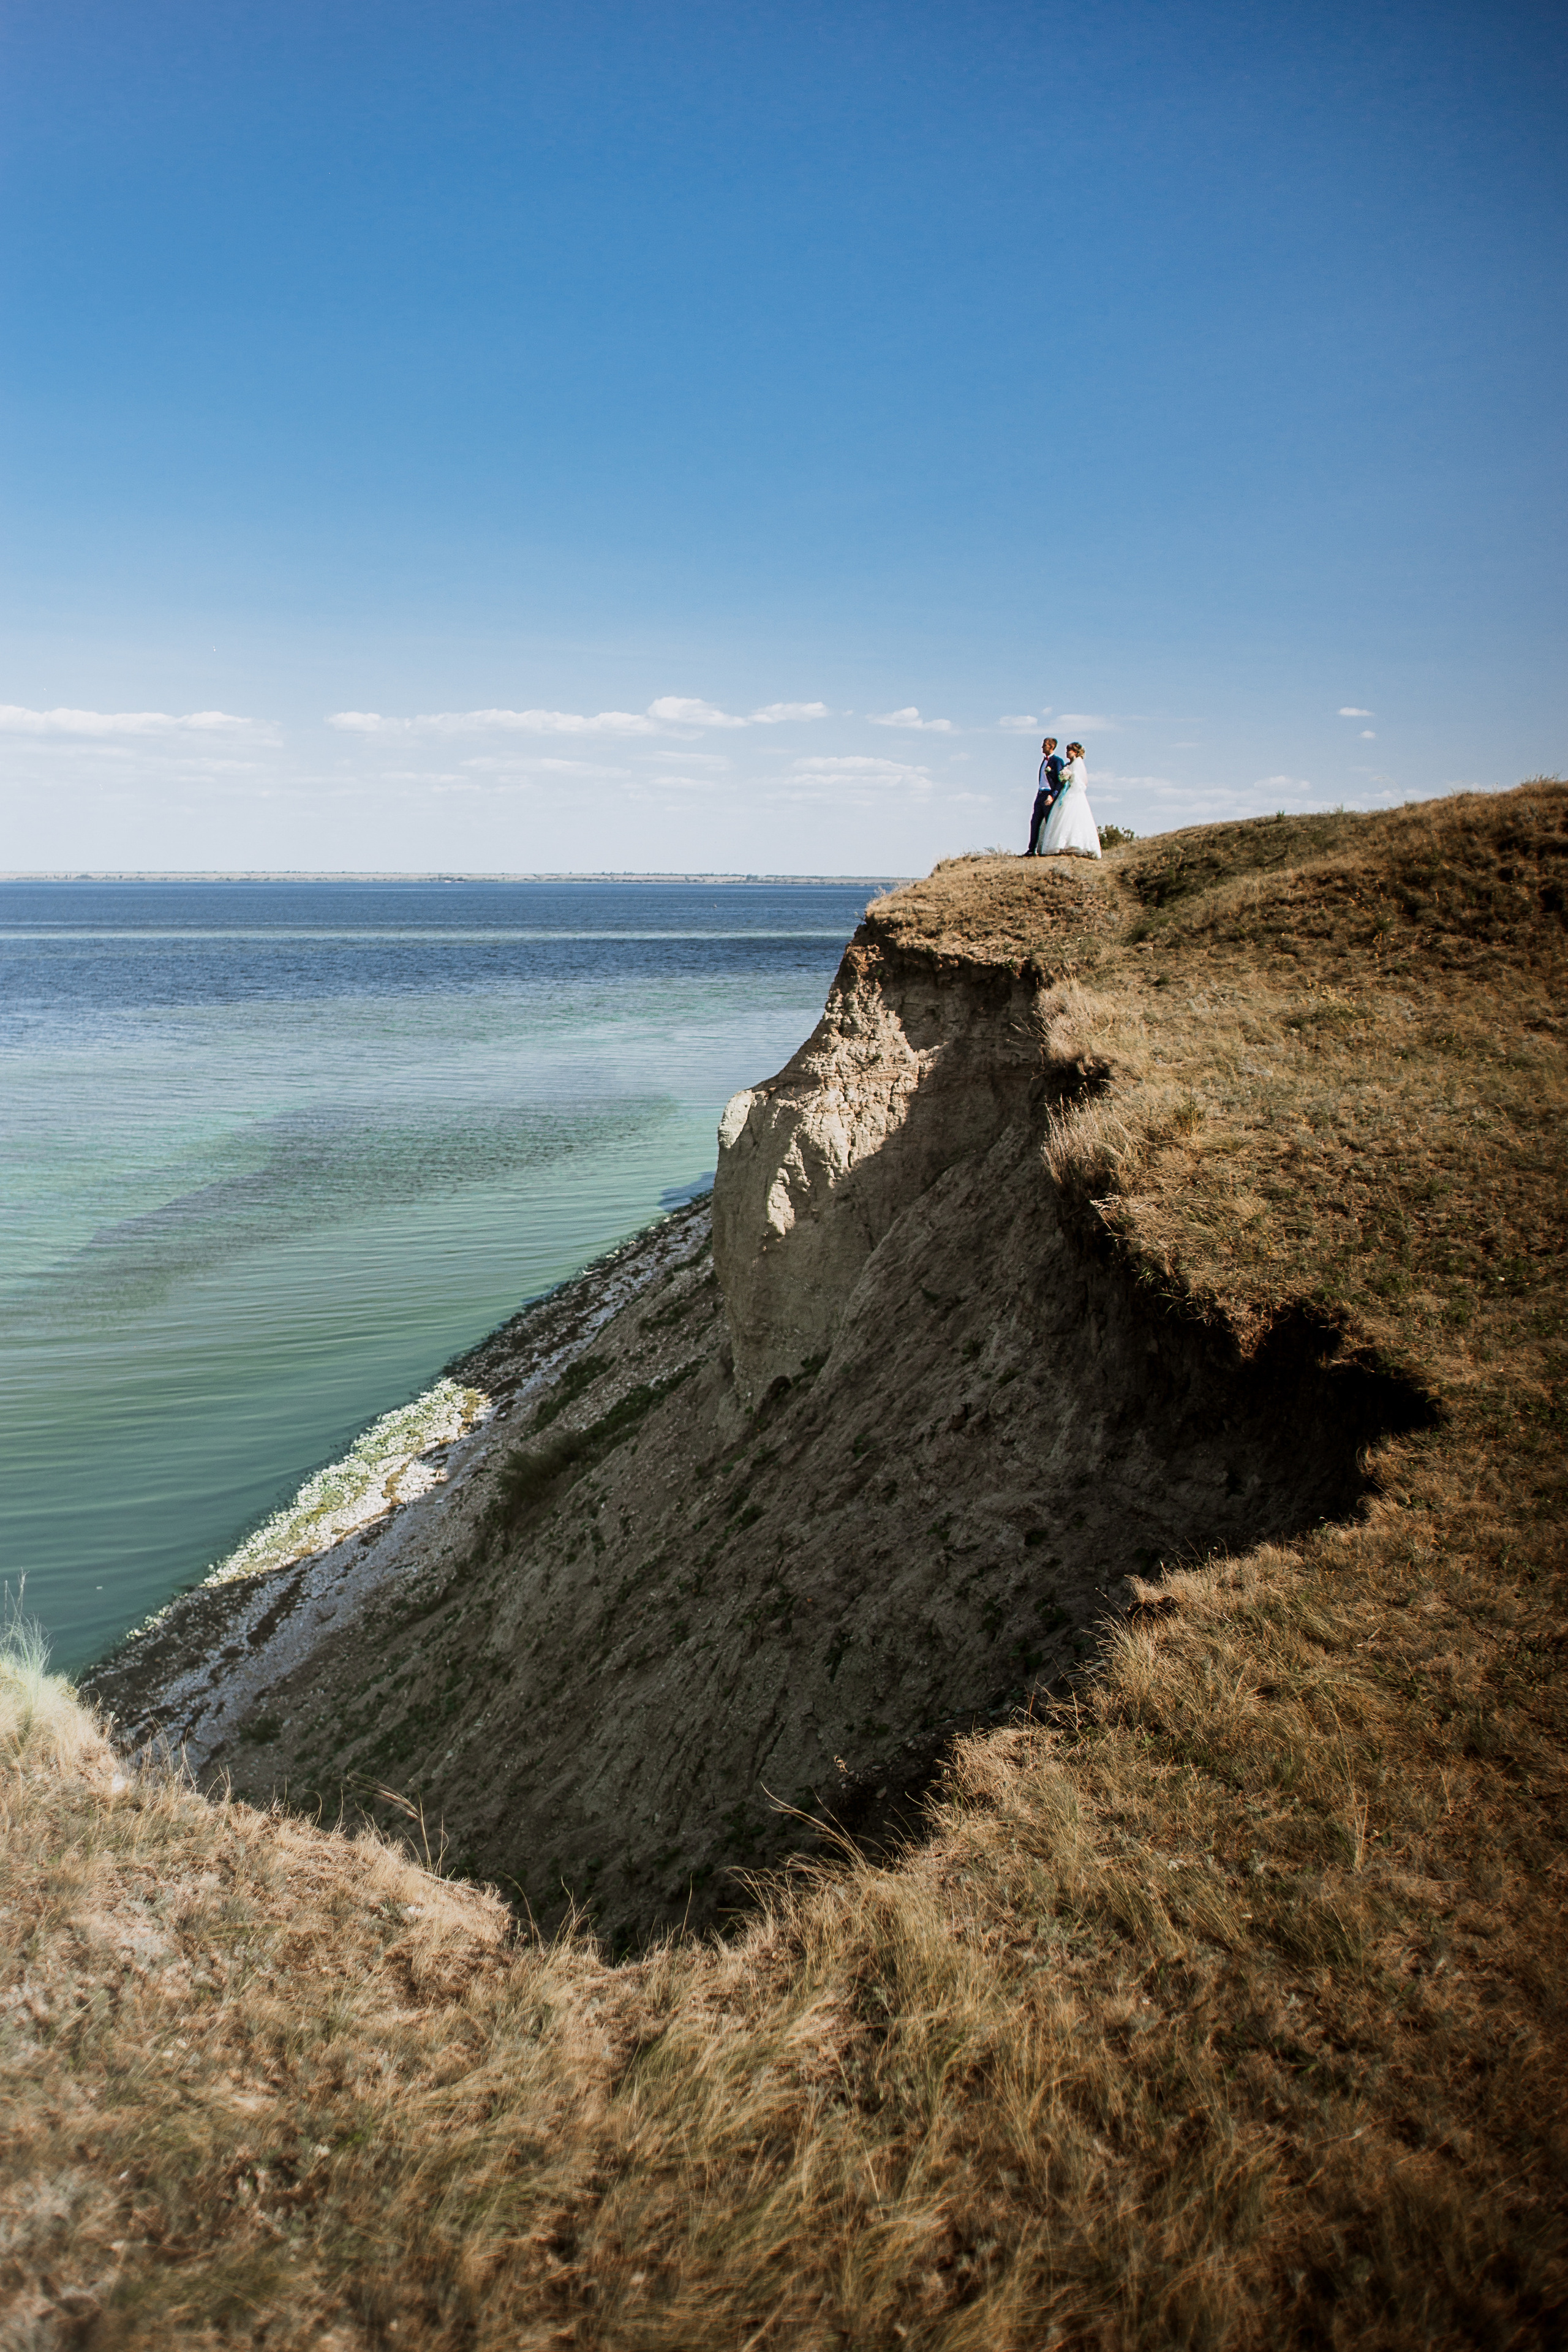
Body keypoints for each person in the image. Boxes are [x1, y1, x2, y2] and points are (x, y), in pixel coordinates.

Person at [1039, 741, 1101, 858]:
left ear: (1076, 752)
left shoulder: (1078, 763)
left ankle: (1075, 845)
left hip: (1074, 795)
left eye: (1069, 751)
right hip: (1066, 792)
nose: (1067, 753)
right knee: (1060, 819)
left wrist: (1070, 778)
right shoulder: (1068, 764)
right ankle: (1063, 846)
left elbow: (1082, 782)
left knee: (1073, 819)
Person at [1026, 736, 1064, 855]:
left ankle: (1050, 849)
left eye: (1045, 745)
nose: (1042, 747)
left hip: (1048, 795)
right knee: (1035, 822)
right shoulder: (1044, 761)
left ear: (1051, 747)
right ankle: (1031, 849)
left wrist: (1053, 796)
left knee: (1049, 822)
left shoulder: (1057, 761)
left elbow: (1060, 781)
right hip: (1040, 793)